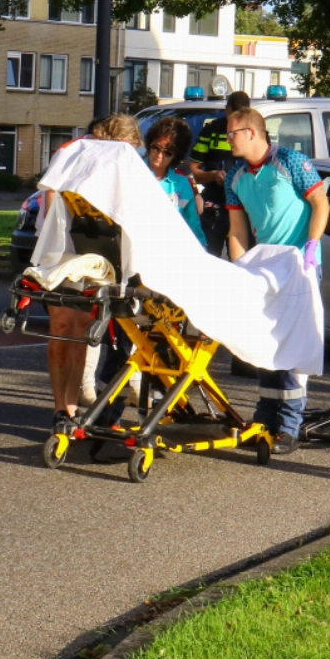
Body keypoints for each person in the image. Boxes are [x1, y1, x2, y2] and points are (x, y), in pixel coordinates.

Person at [224, 106, 329, 454]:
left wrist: (312, 245)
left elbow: (321, 203)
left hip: (299, 265)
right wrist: (239, 268)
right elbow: (237, 229)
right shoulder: (235, 176)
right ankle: (266, 418)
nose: (228, 139)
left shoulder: (291, 162)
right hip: (266, 269)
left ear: (252, 132)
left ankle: (289, 426)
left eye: (232, 133)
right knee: (265, 342)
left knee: (294, 344)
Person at [44, 114, 144, 435]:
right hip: (63, 250)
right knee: (61, 328)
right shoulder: (74, 151)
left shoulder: (124, 164)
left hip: (100, 255)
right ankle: (60, 408)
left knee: (79, 333)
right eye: (125, 147)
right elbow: (50, 195)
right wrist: (52, 242)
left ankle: (70, 410)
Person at [191, 91, 250, 256]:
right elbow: (193, 170)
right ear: (227, 109)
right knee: (209, 260)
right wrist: (213, 176)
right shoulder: (211, 131)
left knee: (242, 263)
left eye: (242, 115)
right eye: (233, 114)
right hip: (214, 209)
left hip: (244, 208)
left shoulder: (255, 133)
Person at [145, 116, 207, 247]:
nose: (159, 155)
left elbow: (192, 226)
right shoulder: (131, 172)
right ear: (149, 143)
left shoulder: (183, 183)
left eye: (168, 152)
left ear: (176, 155)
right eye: (156, 147)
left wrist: (202, 250)